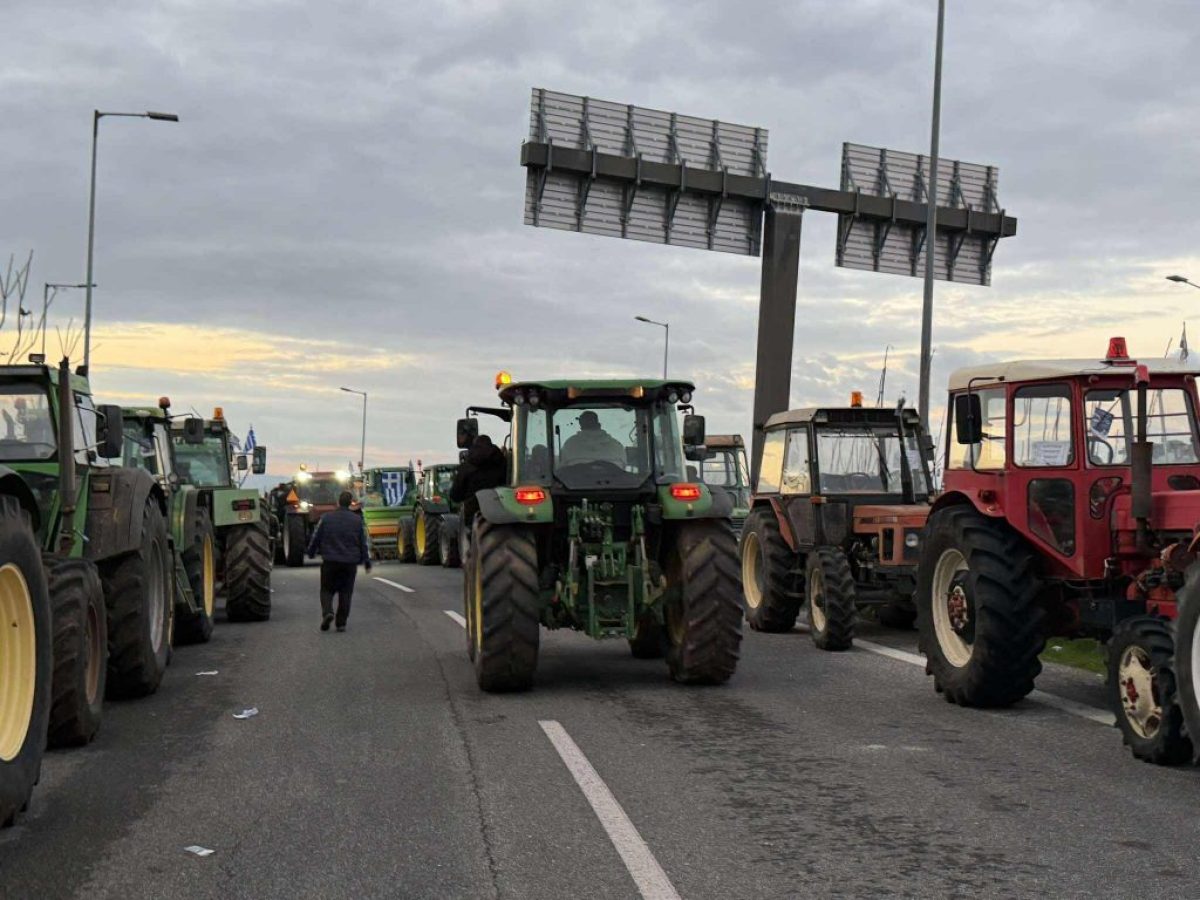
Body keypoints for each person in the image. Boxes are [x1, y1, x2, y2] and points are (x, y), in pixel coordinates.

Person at [306, 490, 371, 632]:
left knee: (327, 589)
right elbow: (363, 542)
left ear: (337, 502)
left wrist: (310, 552)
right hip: (350, 563)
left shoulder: (326, 518)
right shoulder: (357, 520)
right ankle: (341, 623)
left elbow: (316, 537)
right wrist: (366, 561)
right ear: (350, 504)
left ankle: (328, 612)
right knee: (346, 592)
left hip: (330, 560)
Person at [449, 434, 507, 536]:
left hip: (474, 516)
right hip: (502, 512)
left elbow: (455, 495)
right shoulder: (503, 463)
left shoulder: (466, 467)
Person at [559, 410, 625, 467]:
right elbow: (623, 468)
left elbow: (563, 469)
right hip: (614, 481)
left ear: (581, 425)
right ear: (598, 424)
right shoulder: (617, 446)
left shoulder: (570, 445)